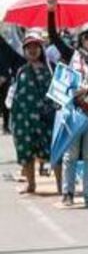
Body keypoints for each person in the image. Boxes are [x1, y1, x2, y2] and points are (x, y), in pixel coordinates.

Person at [48, 0, 88, 208]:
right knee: (71, 154)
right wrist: (51, 11)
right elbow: (54, 38)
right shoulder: (71, 55)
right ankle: (68, 192)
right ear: (81, 39)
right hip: (73, 112)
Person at [8, 30, 58, 194]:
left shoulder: (51, 69)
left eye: (36, 46)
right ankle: (31, 184)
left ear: (41, 49)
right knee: (26, 151)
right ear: (24, 50)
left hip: (46, 118)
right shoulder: (21, 70)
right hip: (24, 119)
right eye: (28, 47)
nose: (32, 50)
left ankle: (61, 185)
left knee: (54, 150)